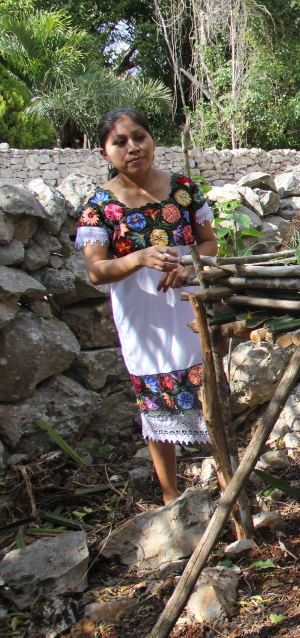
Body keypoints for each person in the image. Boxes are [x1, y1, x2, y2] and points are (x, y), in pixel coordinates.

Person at [76, 108, 219, 505]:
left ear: (152, 140)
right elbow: (96, 271)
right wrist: (139, 258)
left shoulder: (183, 189)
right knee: (156, 409)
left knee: (211, 401)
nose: (132, 147)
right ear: (105, 154)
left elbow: (209, 243)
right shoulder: (100, 206)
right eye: (119, 142)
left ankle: (229, 485)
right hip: (144, 323)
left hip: (189, 312)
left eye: (139, 136)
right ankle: (172, 497)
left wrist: (189, 263)